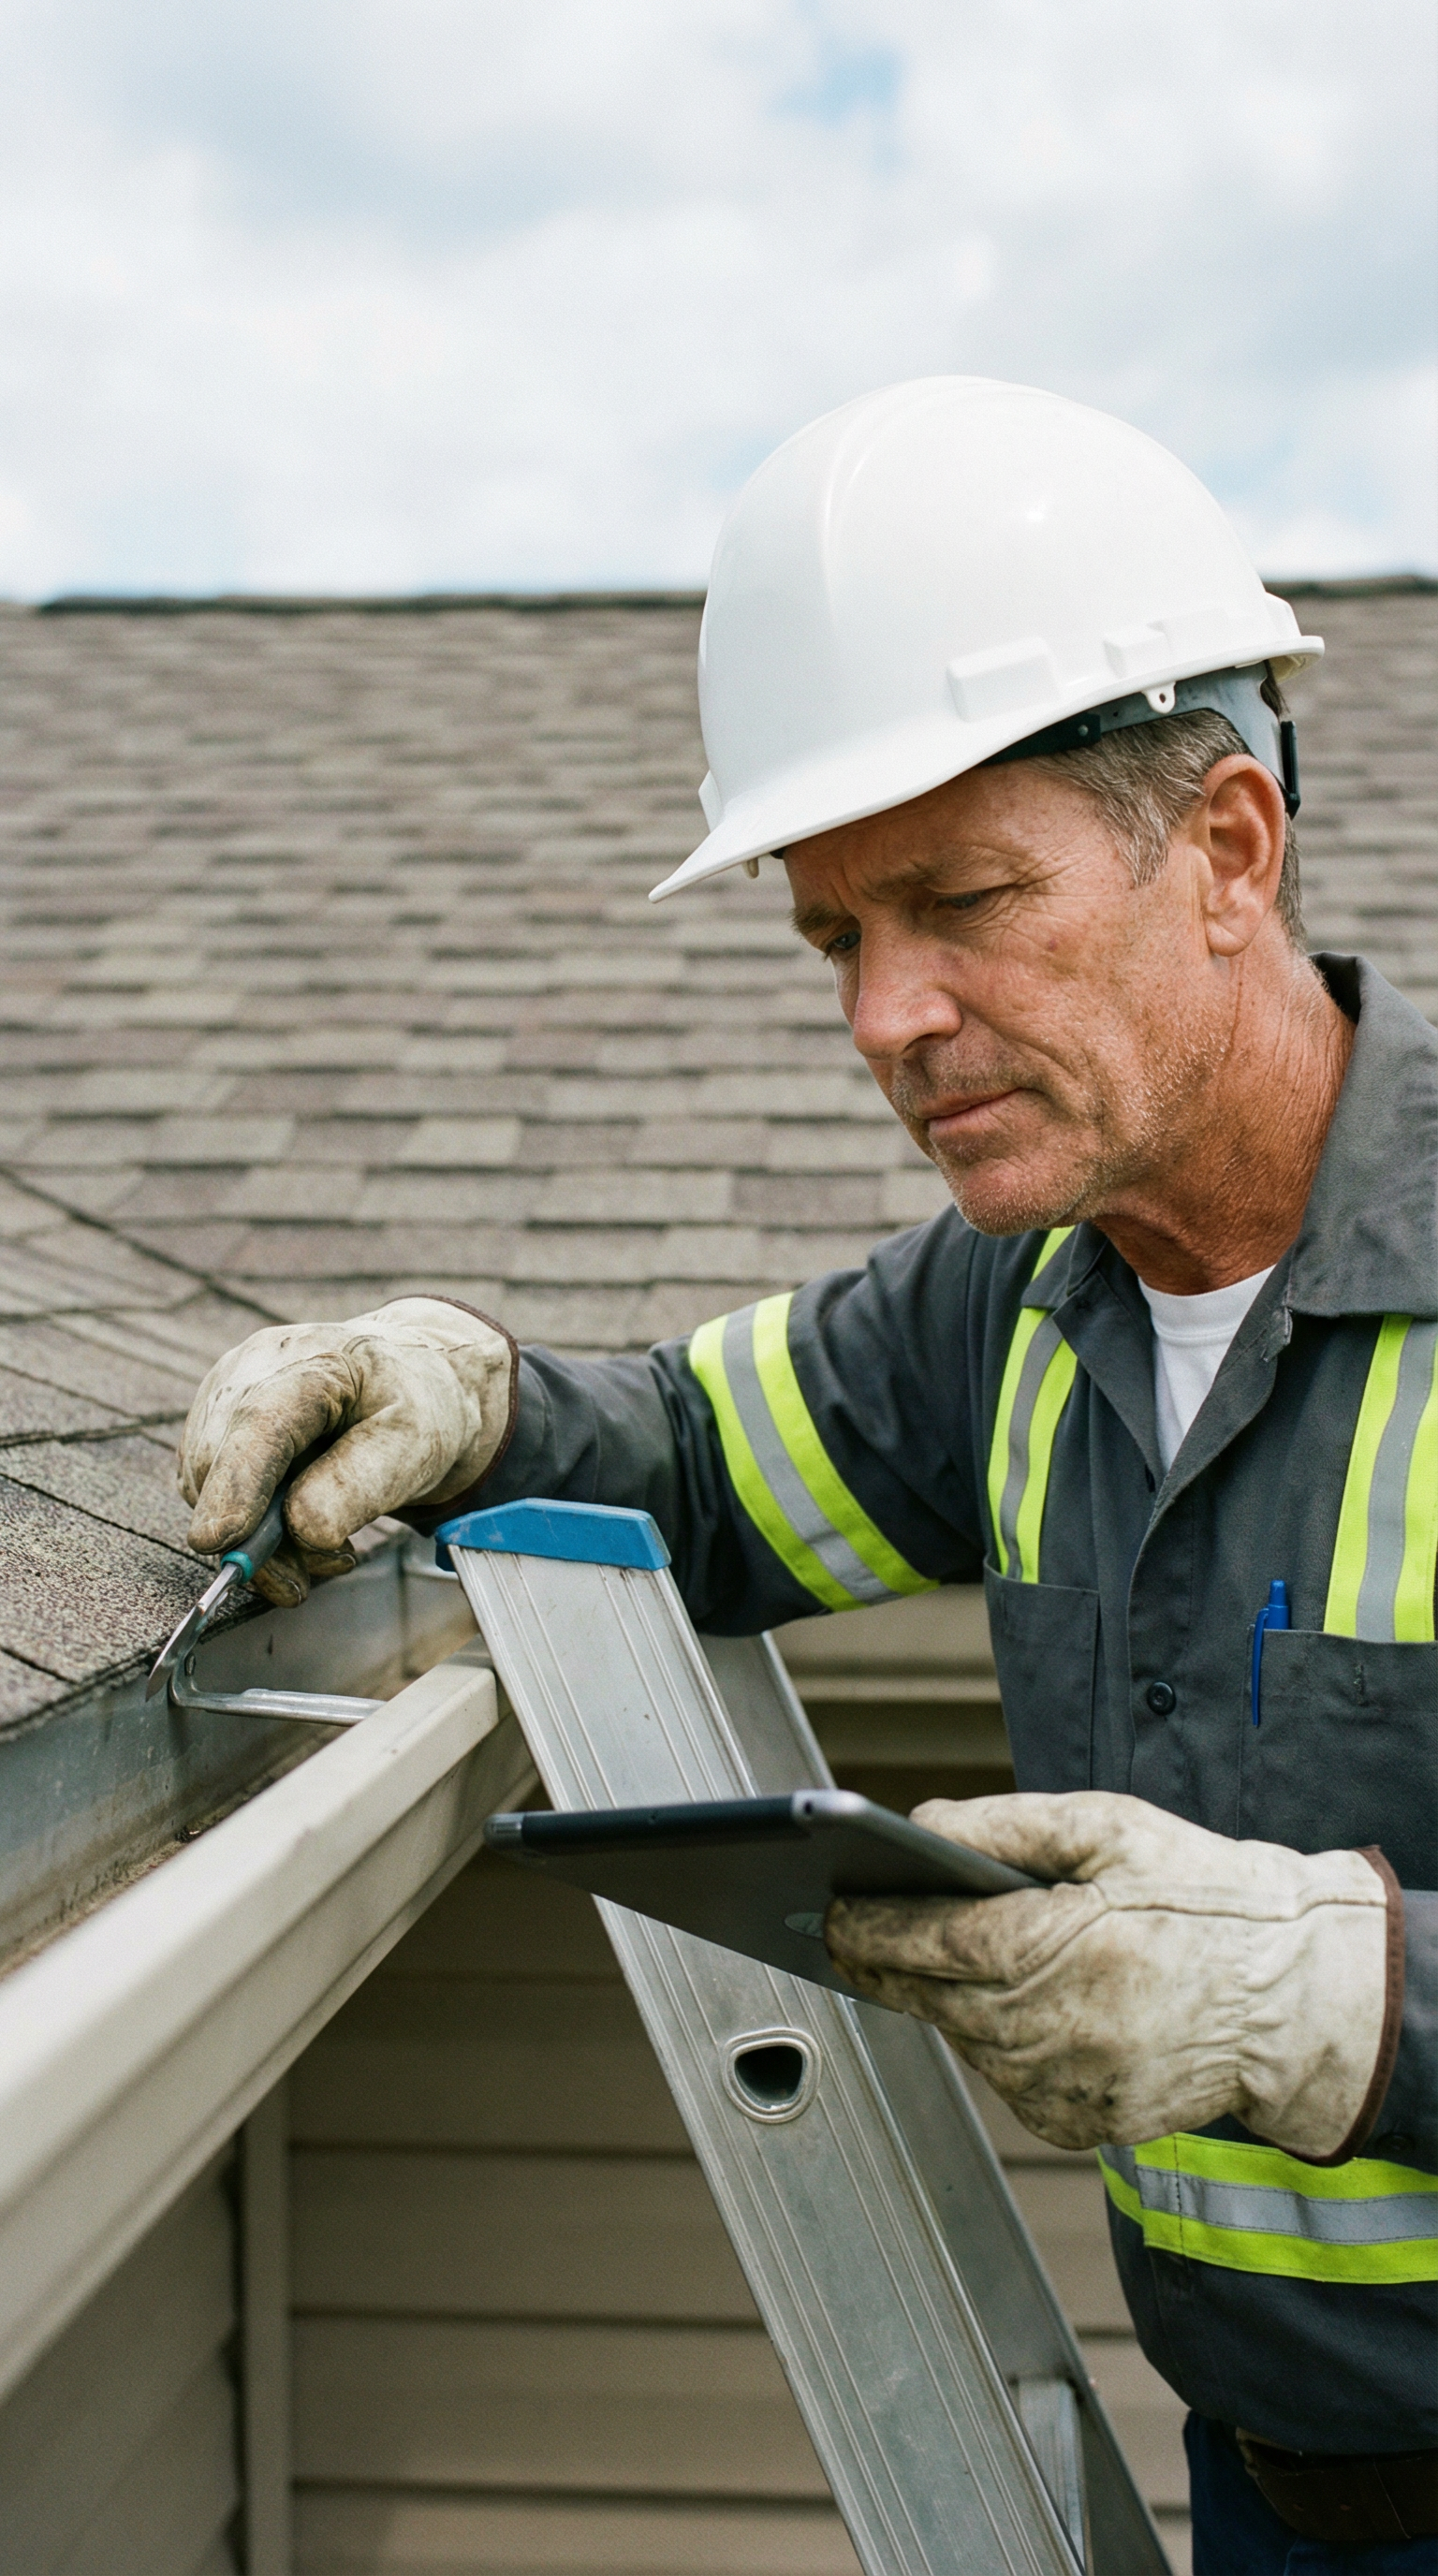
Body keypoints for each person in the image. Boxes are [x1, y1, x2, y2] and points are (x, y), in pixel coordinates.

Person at [177, 380, 1437, 2572]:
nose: (883, 1016)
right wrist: (460, 1383)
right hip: (1275, 2486)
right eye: (837, 937)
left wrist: (1337, 1995)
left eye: (961, 899)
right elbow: (687, 1451)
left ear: (1227, 849)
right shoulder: (1014, 1305)